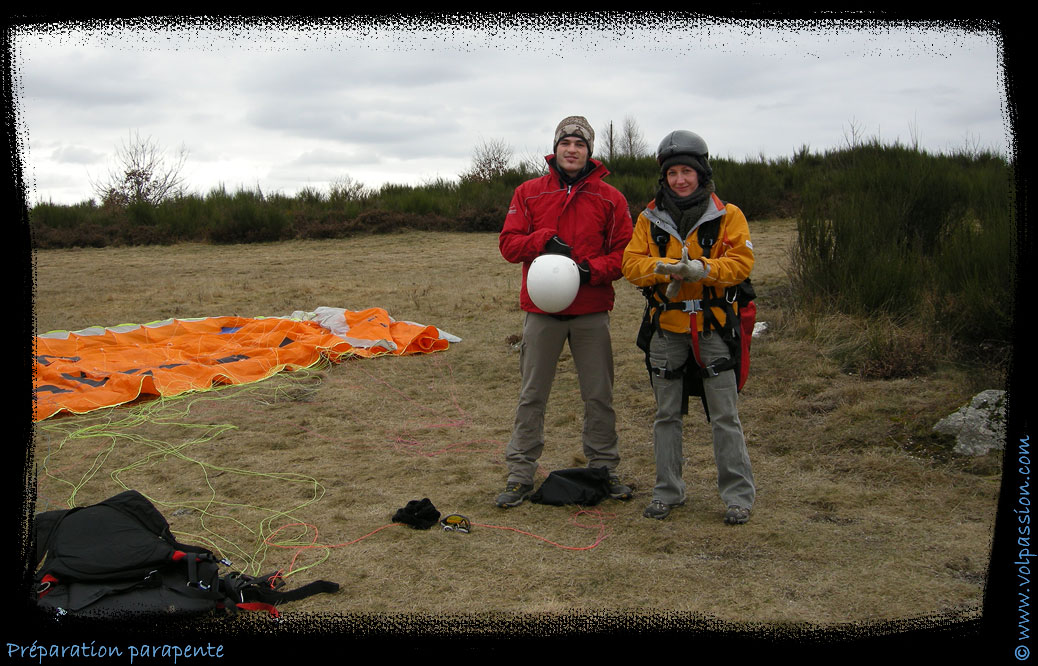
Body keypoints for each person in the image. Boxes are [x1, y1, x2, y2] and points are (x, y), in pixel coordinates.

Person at [496, 115, 634, 508]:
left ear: (590, 152)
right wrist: (542, 241)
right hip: (542, 314)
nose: (572, 150)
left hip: (591, 310)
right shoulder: (528, 192)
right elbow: (509, 245)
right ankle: (520, 475)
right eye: (566, 143)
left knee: (599, 395)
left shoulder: (612, 198)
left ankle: (604, 470)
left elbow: (625, 254)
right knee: (532, 394)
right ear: (555, 148)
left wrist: (593, 269)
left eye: (580, 144)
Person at [621, 130, 756, 524]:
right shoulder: (648, 219)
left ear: (701, 172)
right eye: (673, 173)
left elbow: (741, 265)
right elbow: (631, 264)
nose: (680, 179)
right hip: (667, 330)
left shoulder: (728, 215)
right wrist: (663, 269)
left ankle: (737, 497)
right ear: (664, 177)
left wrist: (704, 270)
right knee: (667, 415)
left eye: (687, 172)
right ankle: (668, 491)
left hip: (713, 328)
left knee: (724, 415)